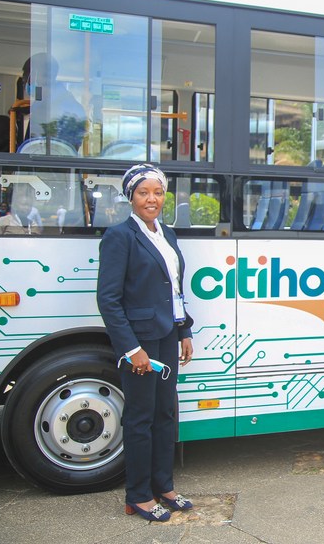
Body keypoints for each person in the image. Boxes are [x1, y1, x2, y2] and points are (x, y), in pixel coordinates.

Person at [96, 163, 195, 522]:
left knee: (165, 413)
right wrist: (131, 348)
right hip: (140, 342)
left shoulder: (166, 233)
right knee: (140, 417)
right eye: (143, 192)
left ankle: (163, 486)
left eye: (157, 192)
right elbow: (108, 299)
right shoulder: (120, 236)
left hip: (166, 334)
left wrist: (183, 330)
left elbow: (174, 289)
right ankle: (138, 495)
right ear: (131, 197)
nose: (151, 199)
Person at [20, 53, 87, 150]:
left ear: (34, 74)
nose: (24, 81)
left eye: (25, 76)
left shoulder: (69, 108)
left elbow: (65, 150)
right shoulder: (40, 103)